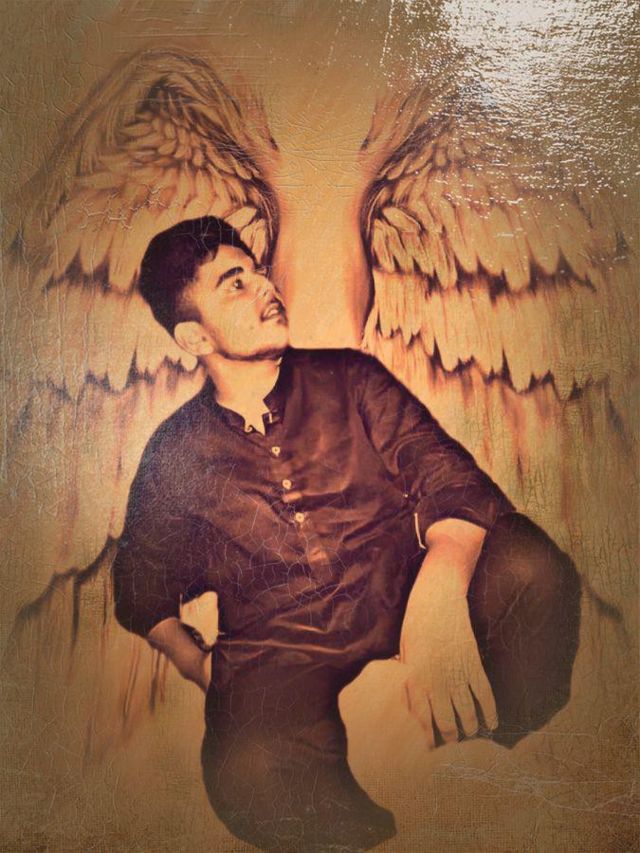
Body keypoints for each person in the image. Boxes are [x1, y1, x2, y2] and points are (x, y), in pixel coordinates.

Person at [112, 216, 582, 852]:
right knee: (249, 776)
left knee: (529, 569)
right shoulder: (175, 453)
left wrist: (438, 598)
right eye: (235, 283)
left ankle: (495, 754)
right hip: (282, 657)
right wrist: (201, 668)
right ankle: (386, 830)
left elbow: (450, 480)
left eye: (258, 272)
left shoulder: (351, 378)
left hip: (401, 596)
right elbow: (140, 591)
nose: (265, 287)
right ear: (195, 336)